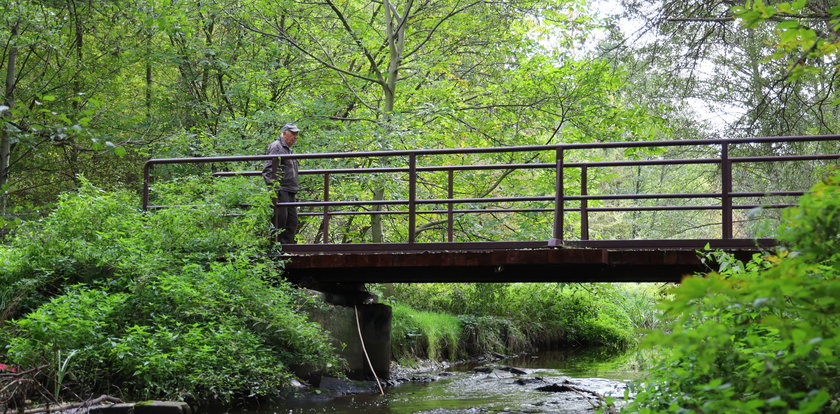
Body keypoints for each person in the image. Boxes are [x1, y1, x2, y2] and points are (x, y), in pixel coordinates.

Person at [262, 122, 300, 244]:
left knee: (292, 221)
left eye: (297, 134)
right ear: (284, 133)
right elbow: (268, 169)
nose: (295, 137)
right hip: (281, 189)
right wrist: (274, 190)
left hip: (290, 189)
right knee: (281, 220)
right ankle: (278, 248)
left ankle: (288, 248)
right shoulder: (276, 147)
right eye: (292, 133)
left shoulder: (288, 149)